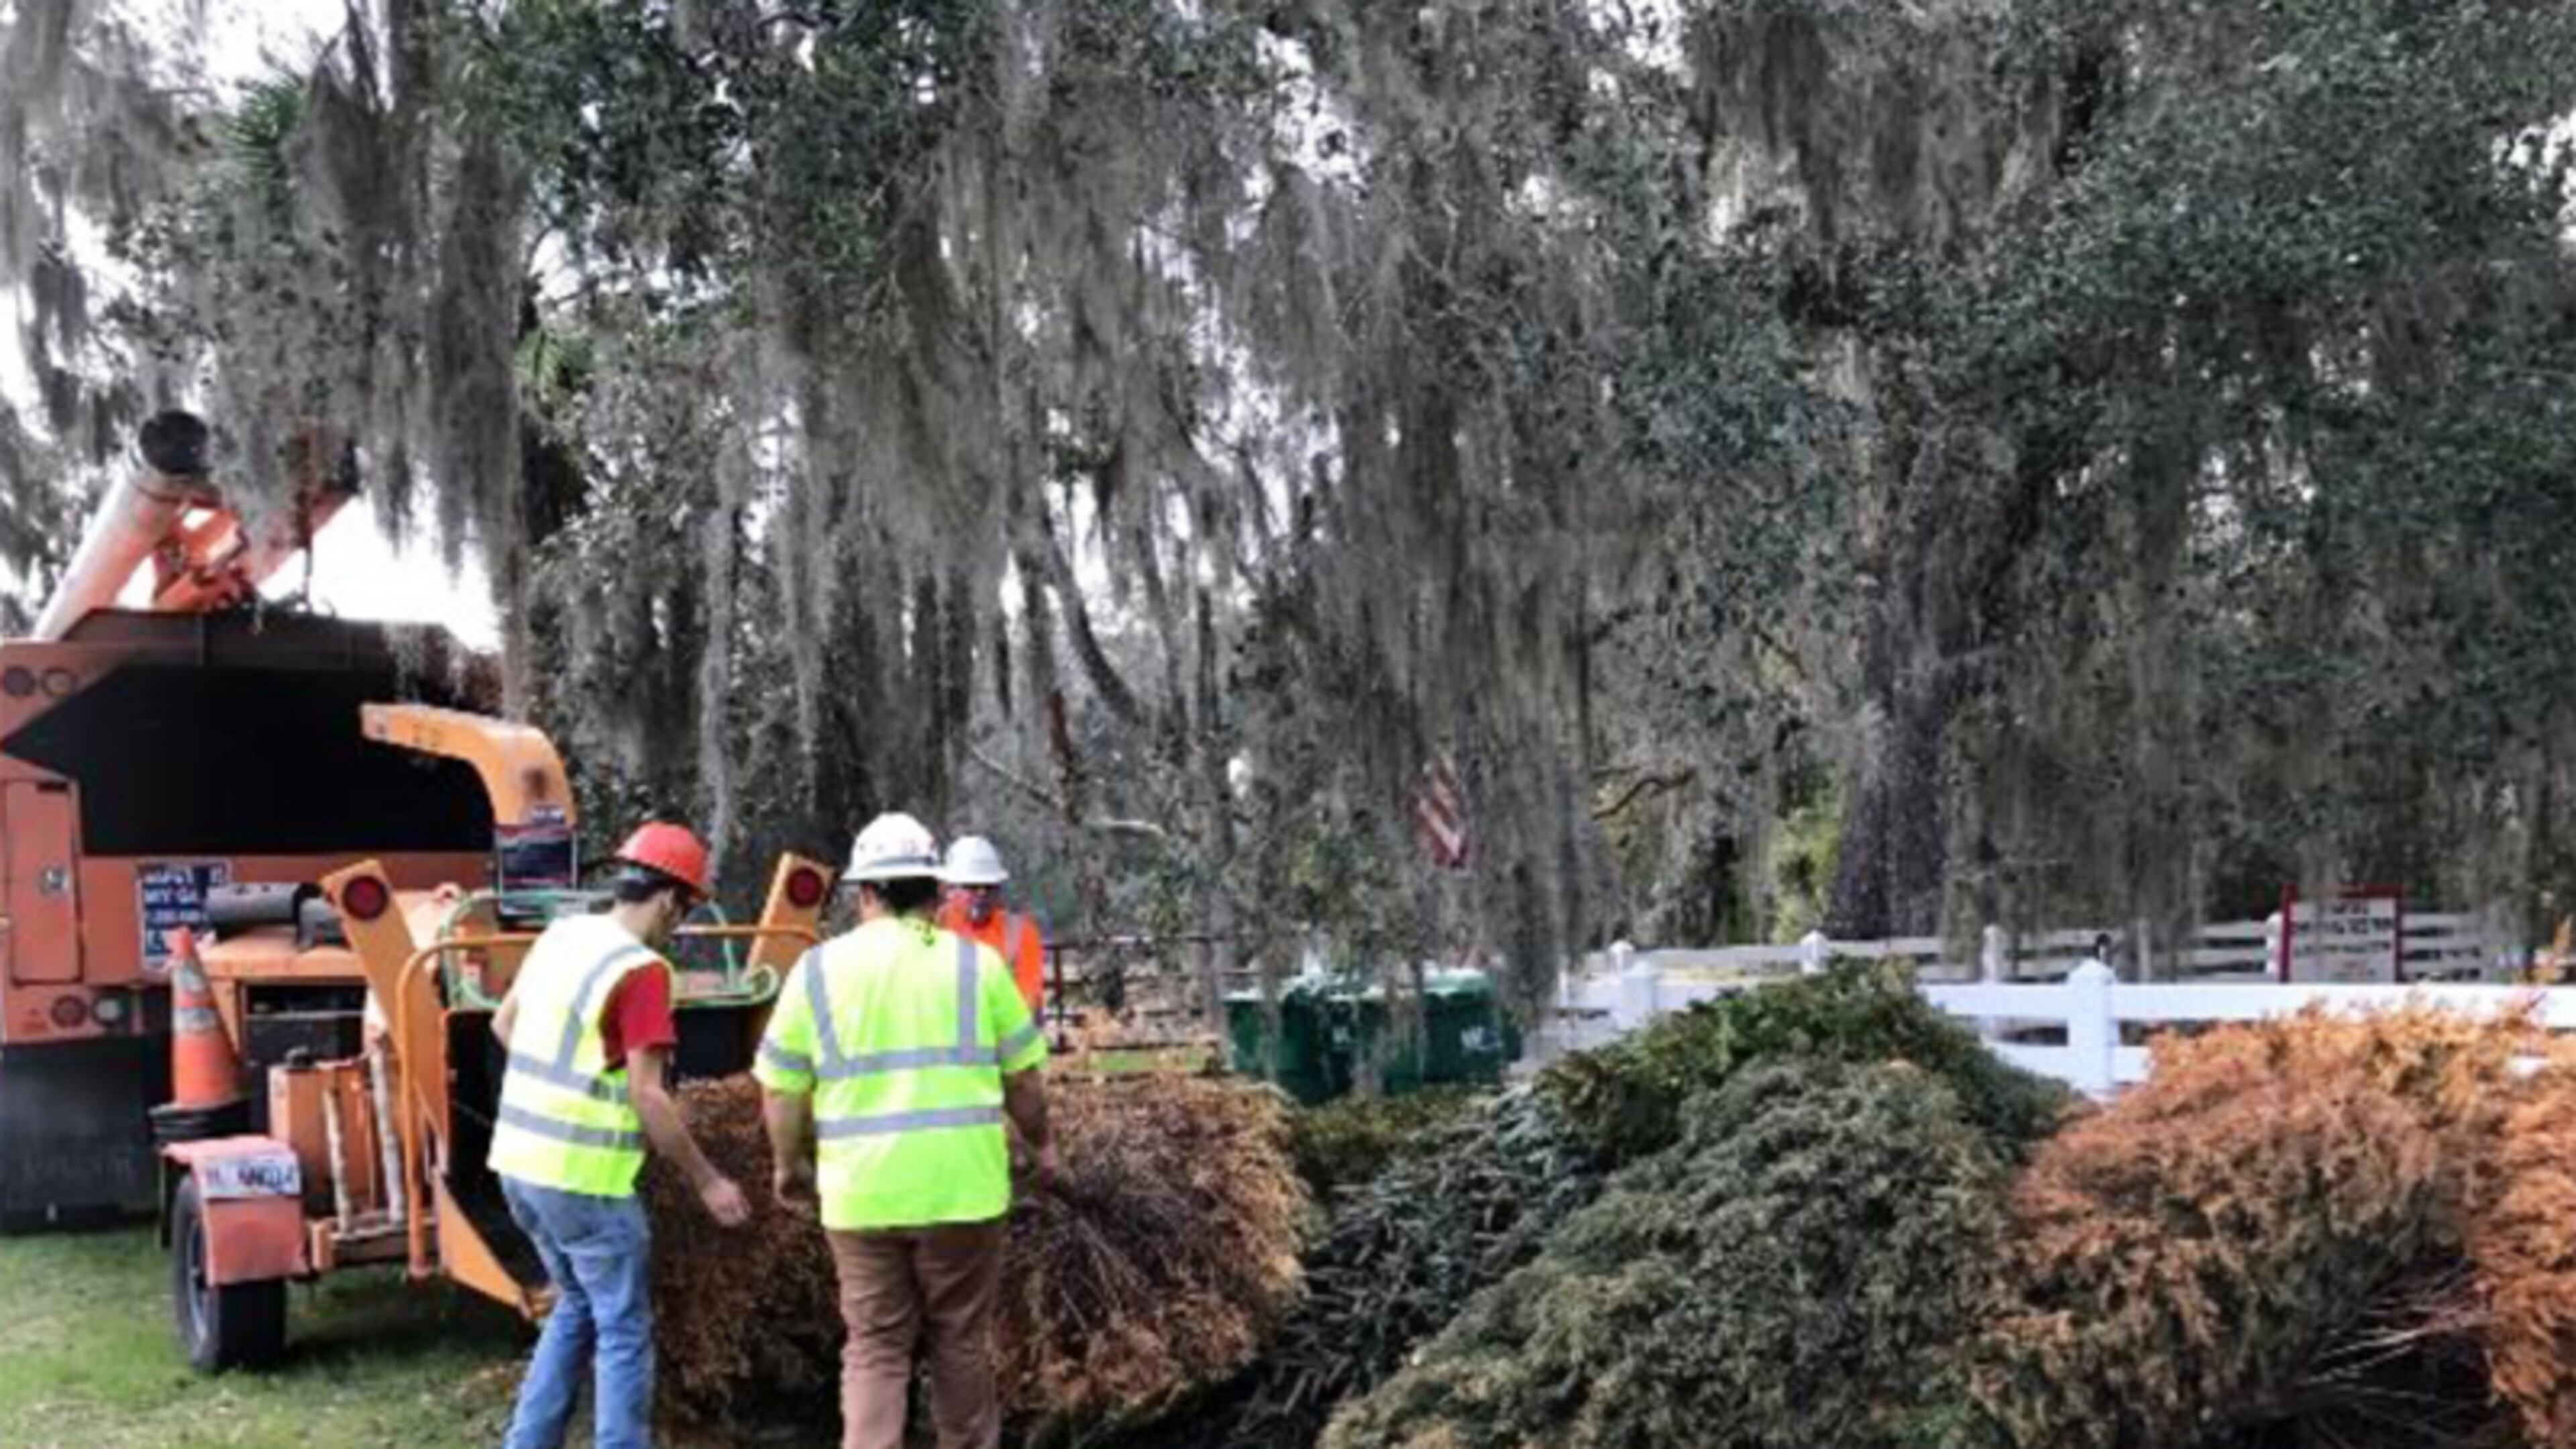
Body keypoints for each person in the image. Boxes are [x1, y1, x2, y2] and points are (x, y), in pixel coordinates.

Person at [757, 812, 1053, 1449]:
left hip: (861, 1198)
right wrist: (1041, 1145)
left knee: (876, 1347)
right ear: (934, 891)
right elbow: (1026, 1083)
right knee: (960, 1339)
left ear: (864, 893)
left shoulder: (816, 972)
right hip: (965, 1195)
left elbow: (782, 1089)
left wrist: (788, 1166)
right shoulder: (977, 968)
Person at [488, 821, 753, 1449]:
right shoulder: (642, 972)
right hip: (584, 1181)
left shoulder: (563, 935)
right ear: (668, 899)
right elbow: (648, 1095)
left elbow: (504, 1025)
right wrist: (709, 1181)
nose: (679, 929)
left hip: (518, 1166)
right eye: (683, 913)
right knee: (624, 1327)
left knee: (577, 1305)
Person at [935, 834, 1047, 1017]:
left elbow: (1029, 1006)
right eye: (972, 886)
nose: (982, 894)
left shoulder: (1021, 933)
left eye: (990, 886)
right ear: (948, 889)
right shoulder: (931, 930)